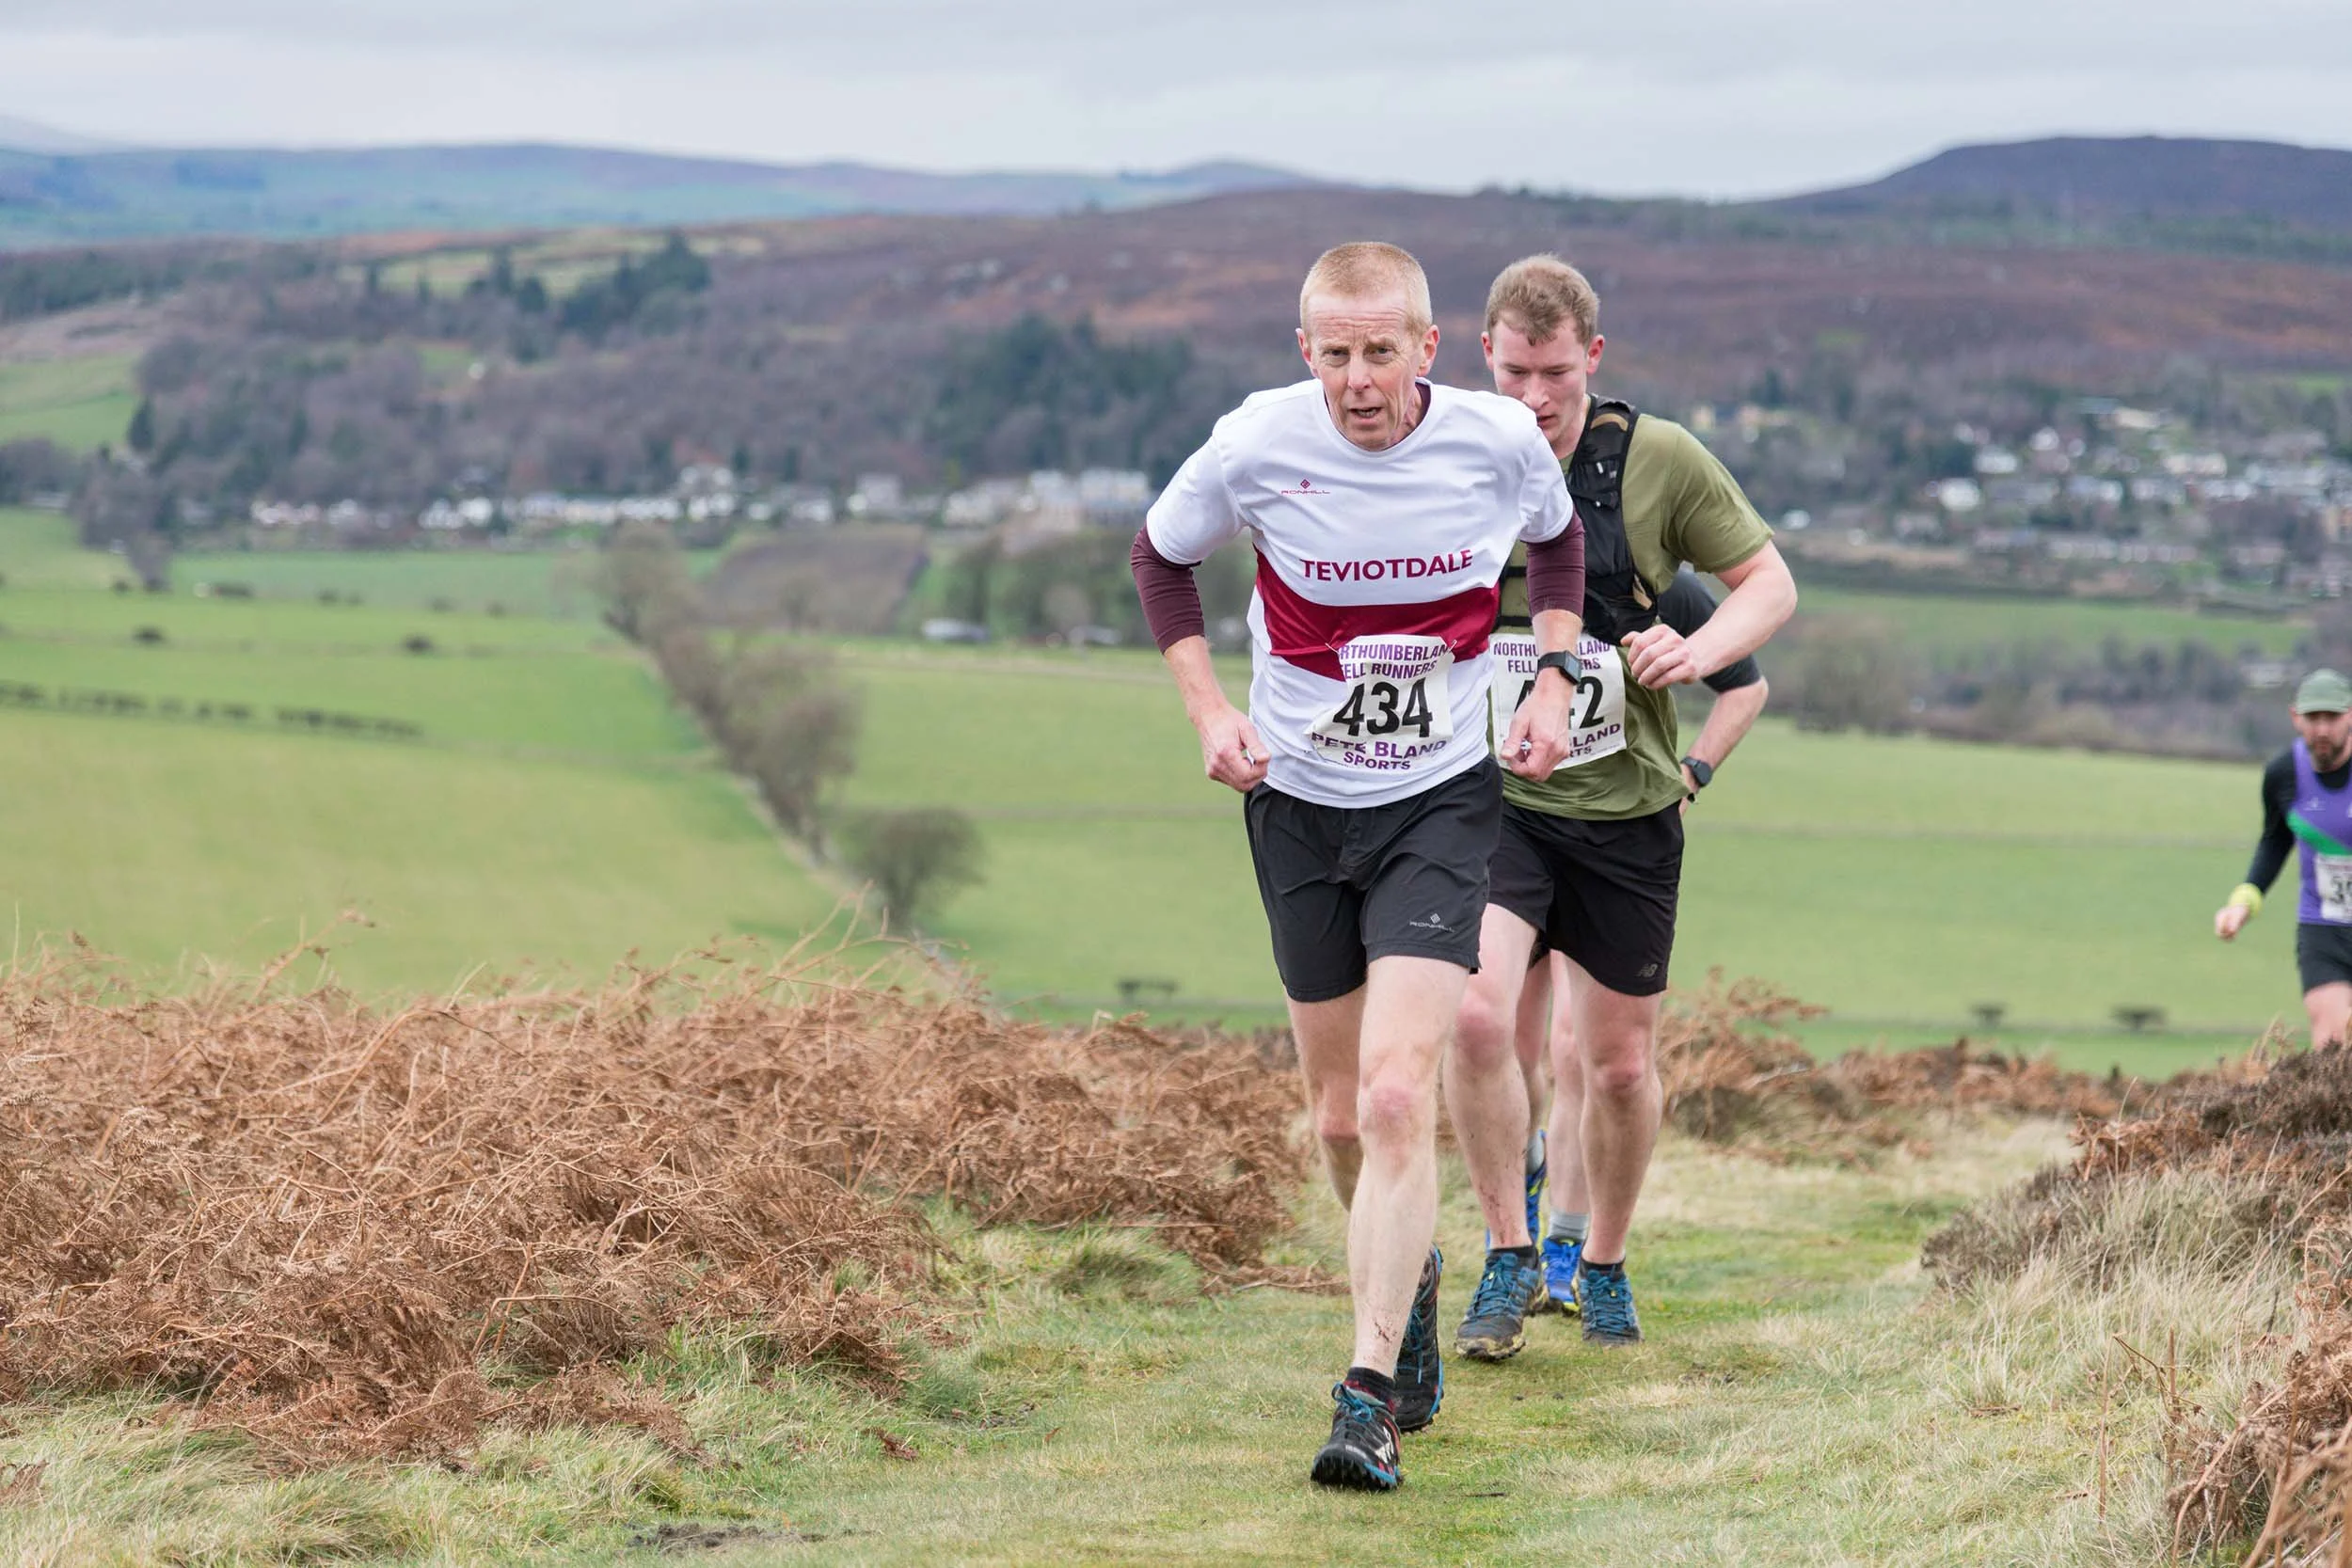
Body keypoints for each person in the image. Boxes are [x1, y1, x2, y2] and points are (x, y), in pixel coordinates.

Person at [1130, 241, 1586, 1492]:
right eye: (1334, 353)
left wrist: (1550, 677)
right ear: (1305, 352)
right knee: (1338, 1116)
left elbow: (1556, 543)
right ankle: (1412, 1272)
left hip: (1437, 800)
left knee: (1395, 1096)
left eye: (1381, 351)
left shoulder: (1494, 440)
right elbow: (1160, 556)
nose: (1358, 379)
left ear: (1427, 348)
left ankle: (1367, 1391)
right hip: (1296, 803)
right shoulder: (1256, 442)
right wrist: (1207, 708)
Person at [1442, 254, 1797, 1363]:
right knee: (1476, 1017)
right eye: (1513, 372)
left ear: (1591, 357)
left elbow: (1770, 587)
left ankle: (1599, 1259)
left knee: (1616, 1067)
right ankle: (1507, 1250)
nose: (1533, 397)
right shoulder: (1447, 450)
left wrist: (1697, 650)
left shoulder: (1661, 461)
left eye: (1554, 373)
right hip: (1494, 800)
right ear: (1482, 356)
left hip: (1626, 810)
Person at [1518, 573, 1772, 1314]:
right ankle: (1521, 1185)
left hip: (1612, 838)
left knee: (1578, 1049)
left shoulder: (1657, 586)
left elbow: (1747, 687)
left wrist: (1692, 773)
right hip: (1510, 825)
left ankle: (1562, 1249)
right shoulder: (1501, 561)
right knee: (1499, 1042)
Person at [2215, 668, 2352, 1051]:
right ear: (2295, 717)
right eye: (2313, 718)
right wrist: (2244, 901)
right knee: (2332, 1044)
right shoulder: (2283, 774)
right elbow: (2275, 841)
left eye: (2332, 718)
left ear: (2351, 715)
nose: (2322, 729)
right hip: (2323, 925)